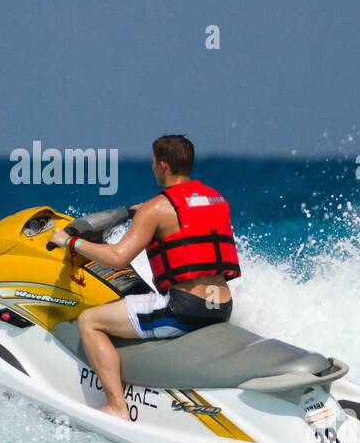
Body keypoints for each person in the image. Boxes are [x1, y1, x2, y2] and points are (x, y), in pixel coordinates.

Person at [49, 134, 241, 419]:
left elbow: (118, 258)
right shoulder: (215, 199)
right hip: (220, 305)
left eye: (153, 162)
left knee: (90, 321)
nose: (152, 167)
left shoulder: (156, 208)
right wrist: (144, 213)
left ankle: (116, 405)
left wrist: (70, 242)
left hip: (186, 309)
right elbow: (186, 223)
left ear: (163, 165)